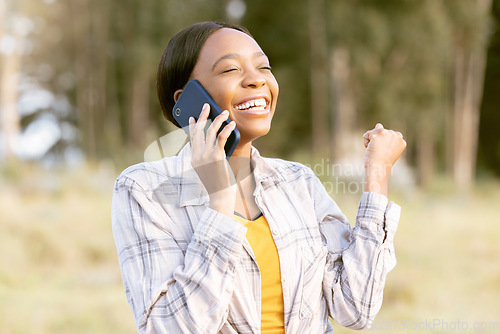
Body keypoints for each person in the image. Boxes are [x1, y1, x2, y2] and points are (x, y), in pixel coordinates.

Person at [111, 21, 407, 334]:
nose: (257, 80)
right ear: (188, 100)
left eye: (264, 67)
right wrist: (219, 200)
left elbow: (355, 308)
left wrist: (376, 179)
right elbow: (170, 329)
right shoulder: (144, 188)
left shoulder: (298, 181)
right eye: (230, 70)